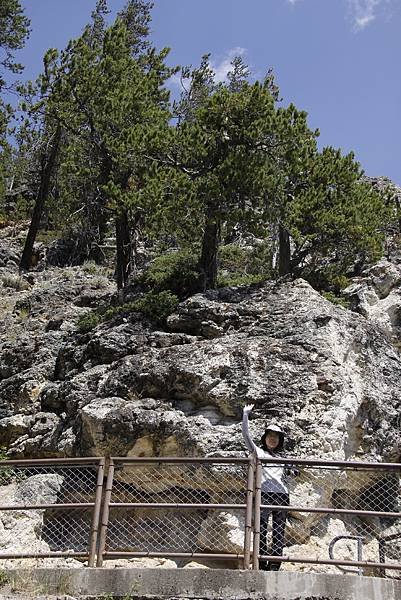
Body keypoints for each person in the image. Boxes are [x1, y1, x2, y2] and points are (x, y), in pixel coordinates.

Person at [242, 403, 290, 571]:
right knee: (260, 529)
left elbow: (293, 473)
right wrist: (245, 415)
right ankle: (261, 563)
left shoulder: (284, 457)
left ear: (280, 440)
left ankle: (275, 565)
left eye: (276, 436)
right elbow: (246, 436)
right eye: (270, 435)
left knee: (278, 531)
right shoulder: (259, 453)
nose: (273, 438)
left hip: (282, 495)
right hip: (264, 494)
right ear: (265, 437)